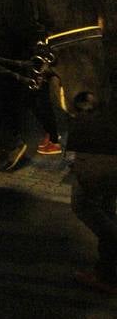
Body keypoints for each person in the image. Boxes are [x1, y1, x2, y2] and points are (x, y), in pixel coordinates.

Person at [69, 91, 117, 295]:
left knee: (84, 205)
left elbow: (82, 96)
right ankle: (107, 273)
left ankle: (109, 274)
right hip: (104, 141)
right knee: (104, 206)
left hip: (100, 144)